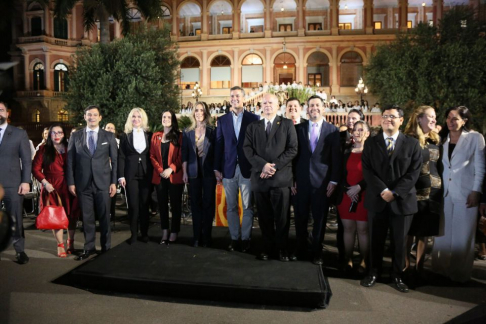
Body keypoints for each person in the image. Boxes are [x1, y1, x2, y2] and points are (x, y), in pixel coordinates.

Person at [360, 105, 422, 293]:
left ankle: (397, 275)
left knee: (400, 241)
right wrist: (383, 190)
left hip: (401, 201)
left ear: (401, 121)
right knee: (375, 239)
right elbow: (367, 170)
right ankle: (373, 272)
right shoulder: (371, 143)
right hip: (377, 199)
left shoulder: (412, 144)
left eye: (392, 117)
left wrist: (394, 192)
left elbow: (414, 173)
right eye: (385, 116)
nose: (388, 119)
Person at [432, 106, 485, 282]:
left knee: (464, 235)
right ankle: (440, 270)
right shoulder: (442, 138)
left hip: (467, 192)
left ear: (465, 121)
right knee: (443, 234)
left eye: (455, 118)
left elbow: (480, 167)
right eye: (448, 118)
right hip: (445, 193)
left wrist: (476, 191)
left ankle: (460, 274)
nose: (451, 122)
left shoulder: (475, 138)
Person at [243, 93, 298, 261]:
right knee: (264, 218)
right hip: (260, 179)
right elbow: (247, 149)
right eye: (264, 102)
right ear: (261, 105)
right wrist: (263, 166)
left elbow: (292, 149)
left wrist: (272, 166)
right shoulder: (253, 126)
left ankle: (282, 249)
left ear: (278, 105)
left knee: (282, 218)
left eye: (270, 102)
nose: (267, 105)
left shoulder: (287, 124)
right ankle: (266, 248)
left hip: (280, 178)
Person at [293, 95, 342, 265]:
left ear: (323, 108)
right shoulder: (298, 129)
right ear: (307, 109)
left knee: (320, 219)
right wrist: (292, 179)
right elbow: (294, 157)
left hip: (323, 184)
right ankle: (300, 249)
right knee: (300, 218)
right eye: (311, 105)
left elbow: (336, 158)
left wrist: (334, 181)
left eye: (317, 105)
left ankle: (317, 252)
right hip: (301, 182)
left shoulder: (333, 130)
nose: (314, 108)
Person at [67, 105, 118, 261]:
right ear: (85, 117)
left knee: (104, 218)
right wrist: (71, 182)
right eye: (89, 115)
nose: (92, 117)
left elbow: (115, 162)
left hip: (103, 183)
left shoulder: (108, 137)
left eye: (95, 115)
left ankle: (105, 248)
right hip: (83, 184)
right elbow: (70, 162)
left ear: (100, 117)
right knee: (87, 218)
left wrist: (113, 182)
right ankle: (88, 248)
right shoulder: (76, 137)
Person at [214, 86, 259, 252]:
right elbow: (219, 145)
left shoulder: (254, 118)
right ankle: (234, 238)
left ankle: (246, 238)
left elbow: (257, 145)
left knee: (248, 207)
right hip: (228, 170)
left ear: (244, 98)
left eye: (237, 96)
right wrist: (216, 168)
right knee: (231, 206)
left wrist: (256, 167)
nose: (234, 99)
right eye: (232, 96)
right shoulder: (223, 119)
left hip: (247, 170)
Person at [403, 106, 442, 277]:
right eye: (430, 117)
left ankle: (419, 268)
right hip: (414, 192)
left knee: (424, 233)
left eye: (435, 117)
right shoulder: (409, 139)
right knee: (410, 231)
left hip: (434, 193)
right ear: (419, 119)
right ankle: (404, 266)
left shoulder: (436, 140)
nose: (434, 119)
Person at [32, 124, 76, 257]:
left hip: (70, 185)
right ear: (49, 135)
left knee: (72, 215)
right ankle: (60, 245)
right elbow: (35, 169)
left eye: (60, 133)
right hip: (52, 187)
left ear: (64, 134)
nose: (57, 136)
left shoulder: (71, 148)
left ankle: (71, 242)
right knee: (55, 216)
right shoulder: (44, 149)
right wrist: (45, 183)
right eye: (53, 133)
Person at [335, 121, 370, 273]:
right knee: (348, 229)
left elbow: (373, 175)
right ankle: (347, 259)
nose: (357, 132)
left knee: (363, 230)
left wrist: (359, 187)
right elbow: (339, 173)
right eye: (355, 130)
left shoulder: (371, 152)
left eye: (361, 130)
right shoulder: (345, 151)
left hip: (364, 195)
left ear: (367, 133)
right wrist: (348, 189)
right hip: (346, 195)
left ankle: (364, 260)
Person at [0, 102, 32, 264]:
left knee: (16, 219)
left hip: (13, 183)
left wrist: (26, 181)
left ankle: (20, 250)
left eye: (1, 110)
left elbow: (26, 161)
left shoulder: (19, 134)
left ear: (7, 113)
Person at [182, 102, 217, 247]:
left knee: (208, 204)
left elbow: (216, 152)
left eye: (202, 110)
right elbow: (184, 153)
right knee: (195, 205)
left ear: (206, 112)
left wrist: (217, 170)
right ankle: (197, 237)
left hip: (209, 172)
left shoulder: (213, 130)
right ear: (193, 113)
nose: (199, 113)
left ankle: (207, 237)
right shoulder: (187, 131)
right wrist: (184, 172)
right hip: (193, 172)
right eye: (197, 110)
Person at [118, 108, 153, 244]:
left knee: (144, 205)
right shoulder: (124, 136)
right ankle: (133, 234)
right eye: (133, 116)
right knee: (133, 205)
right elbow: (121, 157)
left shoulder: (149, 135)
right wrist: (121, 176)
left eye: (139, 116)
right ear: (130, 118)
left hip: (146, 174)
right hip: (130, 175)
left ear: (143, 118)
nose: (136, 119)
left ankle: (144, 233)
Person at [150, 110, 184, 244]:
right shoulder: (155, 136)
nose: (166, 119)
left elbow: (181, 156)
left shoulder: (179, 136)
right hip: (160, 177)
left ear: (173, 119)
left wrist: (171, 169)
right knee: (162, 205)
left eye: (169, 117)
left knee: (175, 205)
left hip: (174, 176)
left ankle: (174, 231)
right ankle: (165, 231)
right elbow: (152, 155)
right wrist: (160, 170)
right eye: (164, 116)